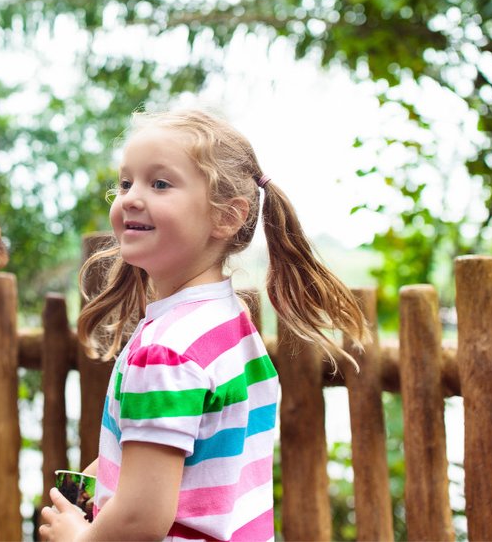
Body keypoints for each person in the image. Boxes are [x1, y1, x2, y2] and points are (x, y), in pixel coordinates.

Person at [38, 109, 370, 541]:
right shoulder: (228, 324)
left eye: (159, 183)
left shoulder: (166, 352)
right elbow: (193, 448)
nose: (131, 197)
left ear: (226, 217)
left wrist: (76, 538)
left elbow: (140, 521)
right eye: (125, 183)